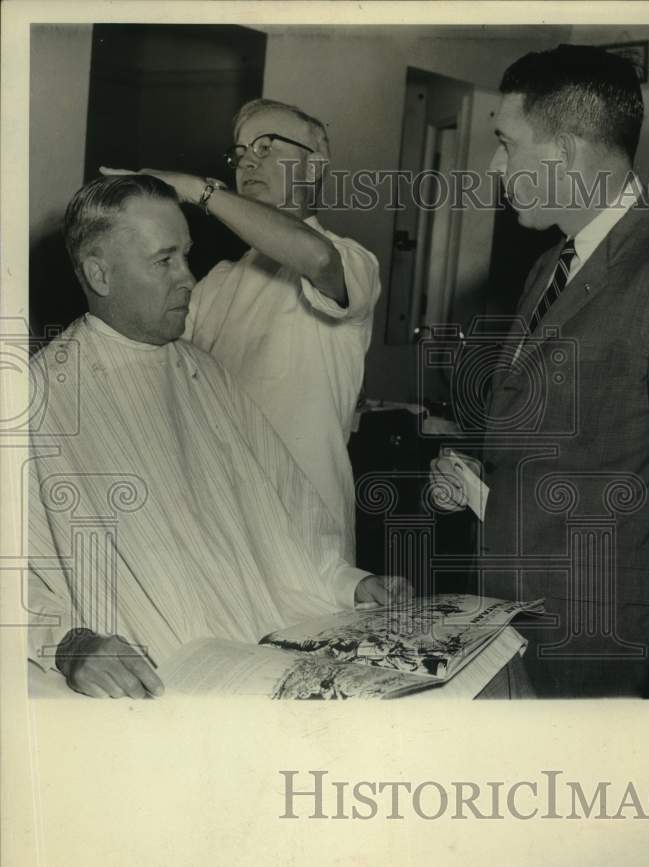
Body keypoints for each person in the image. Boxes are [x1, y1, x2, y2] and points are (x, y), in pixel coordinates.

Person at [27, 175, 404, 699]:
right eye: (165, 261)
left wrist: (349, 582)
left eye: (186, 255)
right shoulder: (36, 397)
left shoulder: (206, 372)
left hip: (265, 638)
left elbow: (287, 511)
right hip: (163, 667)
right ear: (100, 274)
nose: (187, 278)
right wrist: (67, 644)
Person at [432, 44, 649, 697]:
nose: (494, 167)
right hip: (516, 625)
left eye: (504, 144)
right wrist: (479, 481)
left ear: (563, 154)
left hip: (606, 648)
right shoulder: (548, 267)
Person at [101, 98, 380, 562]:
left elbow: (316, 259)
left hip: (304, 527)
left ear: (315, 166)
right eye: (241, 152)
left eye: (268, 146)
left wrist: (198, 191)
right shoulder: (217, 281)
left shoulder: (352, 259)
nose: (248, 160)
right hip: (220, 518)